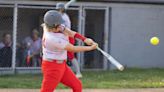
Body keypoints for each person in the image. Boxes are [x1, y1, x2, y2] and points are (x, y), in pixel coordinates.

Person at [40, 10, 97, 92]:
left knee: (77, 85)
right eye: (58, 25)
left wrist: (84, 39)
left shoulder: (51, 27)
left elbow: (70, 33)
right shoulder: (52, 38)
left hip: (62, 65)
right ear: (53, 27)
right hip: (52, 68)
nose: (61, 26)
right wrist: (90, 48)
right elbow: (72, 48)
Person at [56, 2, 83, 78]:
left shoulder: (64, 17)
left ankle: (78, 72)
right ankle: (61, 72)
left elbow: (60, 28)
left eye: (59, 9)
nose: (57, 11)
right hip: (64, 37)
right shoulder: (62, 16)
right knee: (60, 54)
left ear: (62, 9)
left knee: (70, 56)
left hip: (68, 37)